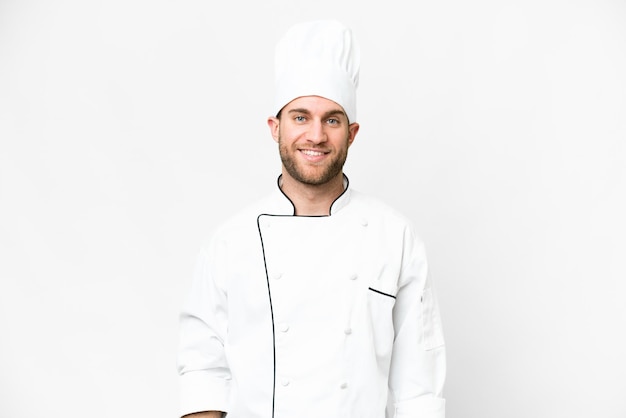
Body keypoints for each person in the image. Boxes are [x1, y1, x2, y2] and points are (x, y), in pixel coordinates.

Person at [177, 20, 446, 418]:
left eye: (332, 120)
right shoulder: (230, 242)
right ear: (275, 128)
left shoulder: (394, 237)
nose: (316, 136)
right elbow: (203, 373)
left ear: (352, 133)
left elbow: (419, 391)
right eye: (300, 117)